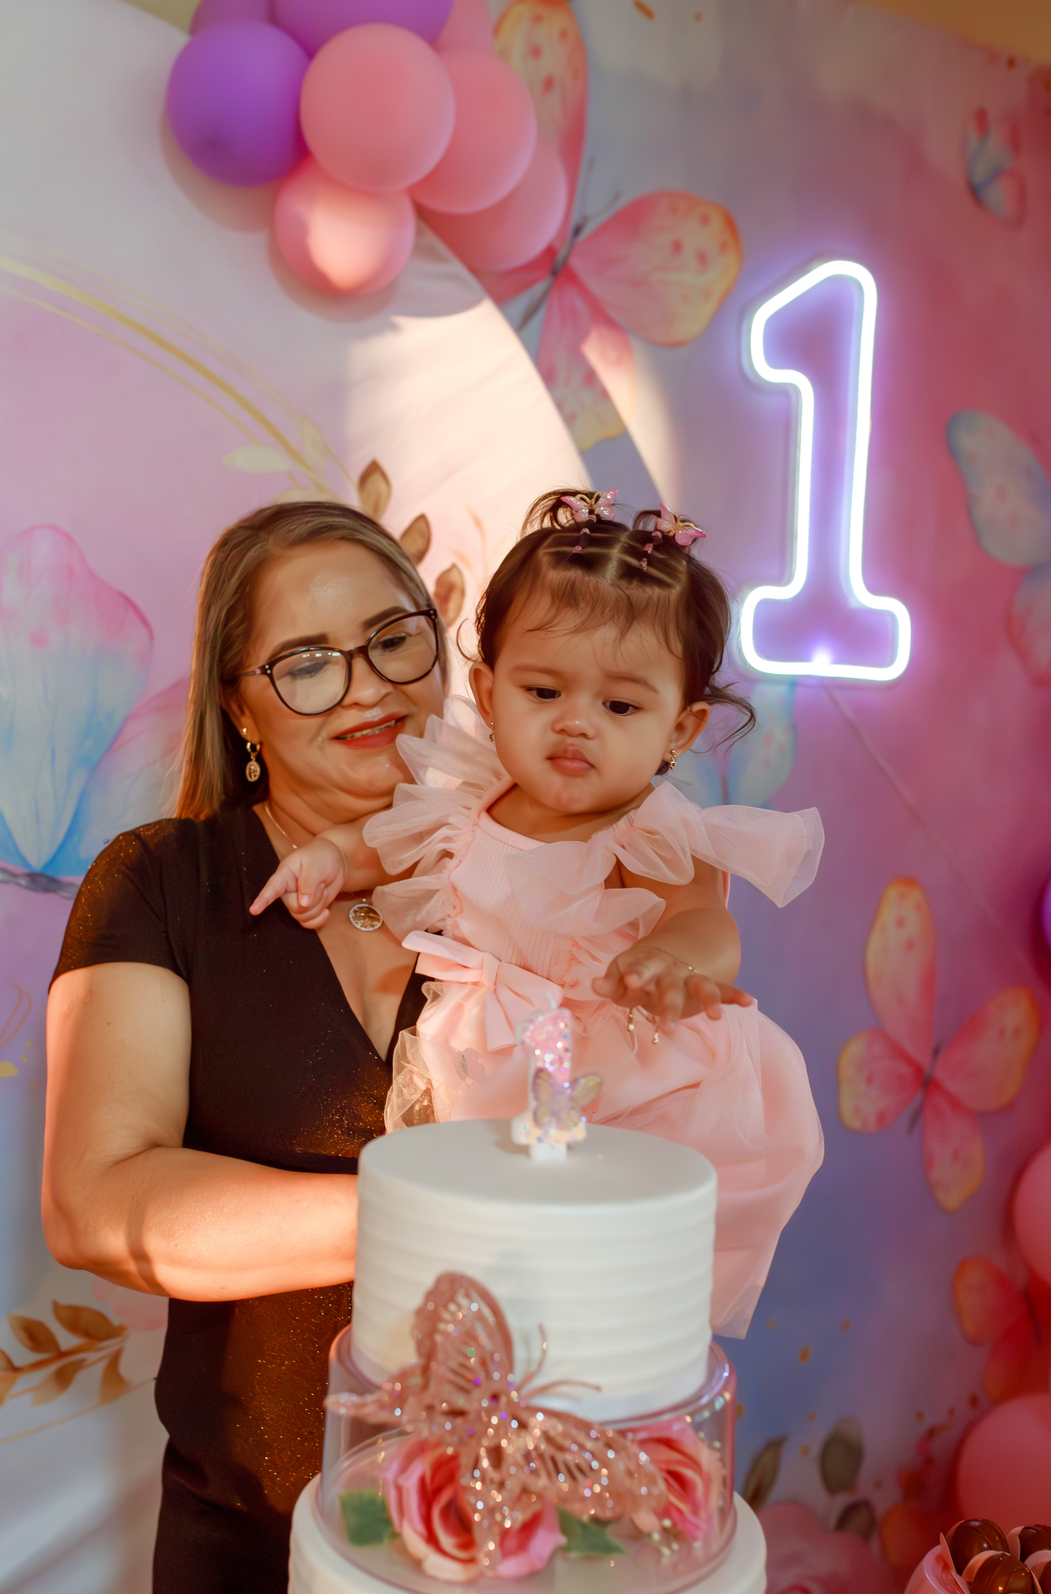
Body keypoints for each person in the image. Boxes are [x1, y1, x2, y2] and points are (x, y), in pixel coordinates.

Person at [41, 501, 449, 1594]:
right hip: (258, 1537)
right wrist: (445, 1211)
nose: (367, 686)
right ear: (240, 705)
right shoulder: (167, 884)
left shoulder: (531, 872)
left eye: (394, 637)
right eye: (308, 661)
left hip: (526, 1540)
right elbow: (98, 1200)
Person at [251, 490, 825, 1336]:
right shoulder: (474, 803)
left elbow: (705, 920)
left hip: (615, 1066)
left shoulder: (647, 831)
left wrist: (673, 959)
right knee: (488, 1262)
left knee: (594, 1270)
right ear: (488, 695)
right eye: (544, 690)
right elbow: (389, 845)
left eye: (620, 707)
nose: (575, 724)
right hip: (489, 1058)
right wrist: (330, 857)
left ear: (680, 728)